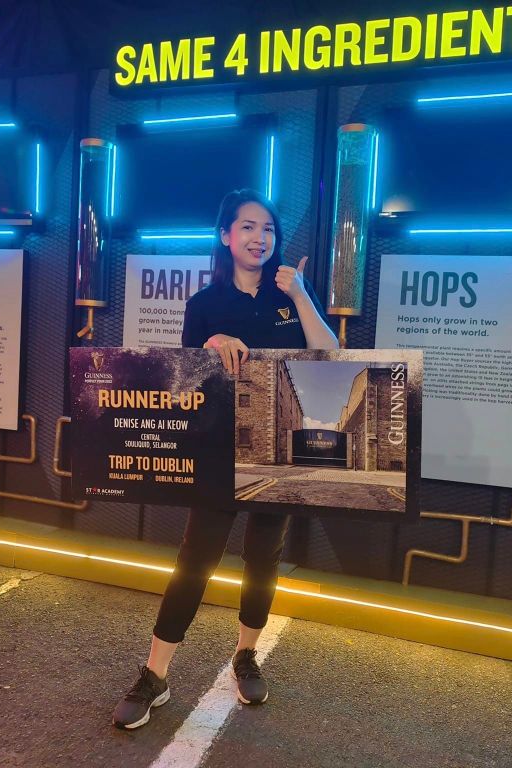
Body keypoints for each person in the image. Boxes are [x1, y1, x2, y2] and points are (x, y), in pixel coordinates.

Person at [112, 188, 339, 730]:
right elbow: (184, 382)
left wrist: (300, 295)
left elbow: (330, 357)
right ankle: (155, 675)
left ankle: (246, 654)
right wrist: (211, 344)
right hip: (220, 449)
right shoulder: (204, 304)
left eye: (268, 229)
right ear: (226, 235)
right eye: (248, 227)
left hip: (280, 448)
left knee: (263, 556)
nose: (260, 238)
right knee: (196, 559)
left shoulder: (291, 292)